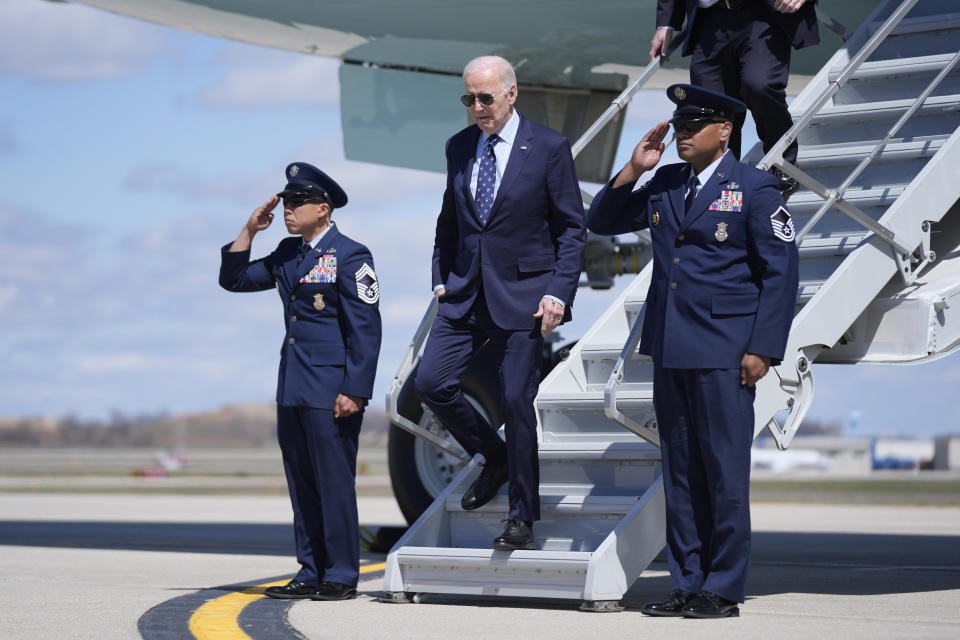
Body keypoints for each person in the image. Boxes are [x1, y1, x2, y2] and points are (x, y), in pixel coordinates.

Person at [586, 84, 799, 618]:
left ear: (724, 130)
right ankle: (687, 583)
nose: (681, 134)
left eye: (692, 126)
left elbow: (781, 275)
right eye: (677, 126)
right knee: (680, 473)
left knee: (724, 474)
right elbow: (603, 220)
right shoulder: (665, 182)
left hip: (728, 353)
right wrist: (634, 169)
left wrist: (764, 349)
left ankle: (722, 589)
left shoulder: (755, 188)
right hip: (673, 347)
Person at [413, 55, 586, 551]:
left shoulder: (549, 148)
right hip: (465, 291)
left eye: (486, 97)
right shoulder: (459, 147)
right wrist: (440, 278)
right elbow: (450, 219)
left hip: (526, 295)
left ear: (512, 94)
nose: (477, 107)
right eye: (469, 99)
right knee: (431, 383)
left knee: (515, 399)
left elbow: (572, 228)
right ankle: (495, 456)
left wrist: (558, 292)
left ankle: (522, 517)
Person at [219, 163, 381, 601]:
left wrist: (355, 390)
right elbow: (233, 279)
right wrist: (250, 230)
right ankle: (310, 571)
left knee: (333, 483)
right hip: (292, 386)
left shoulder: (351, 255)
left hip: (332, 390)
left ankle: (342, 574)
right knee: (301, 483)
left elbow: (365, 329)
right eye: (286, 202)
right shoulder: (289, 254)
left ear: (323, 209)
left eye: (297, 203)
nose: (288, 210)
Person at [650, 0, 820, 196]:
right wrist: (666, 23)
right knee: (710, 107)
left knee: (759, 86)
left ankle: (782, 164)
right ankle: (721, 181)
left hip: (762, 15)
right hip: (709, 22)